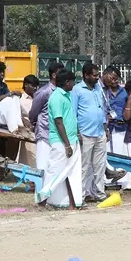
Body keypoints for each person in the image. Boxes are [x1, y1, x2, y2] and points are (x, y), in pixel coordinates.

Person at [42, 69, 83, 209]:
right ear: (66, 82)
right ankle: (41, 200)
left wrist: (77, 135)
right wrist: (66, 145)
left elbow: (70, 118)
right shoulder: (56, 97)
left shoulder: (67, 95)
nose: (74, 85)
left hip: (72, 139)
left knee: (72, 173)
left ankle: (73, 203)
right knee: (55, 171)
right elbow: (58, 121)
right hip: (61, 142)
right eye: (72, 82)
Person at [72, 63, 109, 204]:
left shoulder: (98, 88)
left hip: (100, 132)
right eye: (94, 75)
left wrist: (105, 128)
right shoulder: (77, 90)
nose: (97, 77)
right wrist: (77, 133)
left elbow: (102, 109)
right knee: (84, 166)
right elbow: (73, 112)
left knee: (100, 165)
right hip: (85, 133)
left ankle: (99, 193)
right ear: (86, 75)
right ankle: (80, 195)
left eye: (98, 74)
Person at [27, 61, 63, 198]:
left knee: (54, 167)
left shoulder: (62, 92)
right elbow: (33, 113)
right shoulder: (44, 92)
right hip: (44, 133)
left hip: (57, 136)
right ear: (54, 75)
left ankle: (52, 196)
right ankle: (40, 197)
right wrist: (35, 124)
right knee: (42, 166)